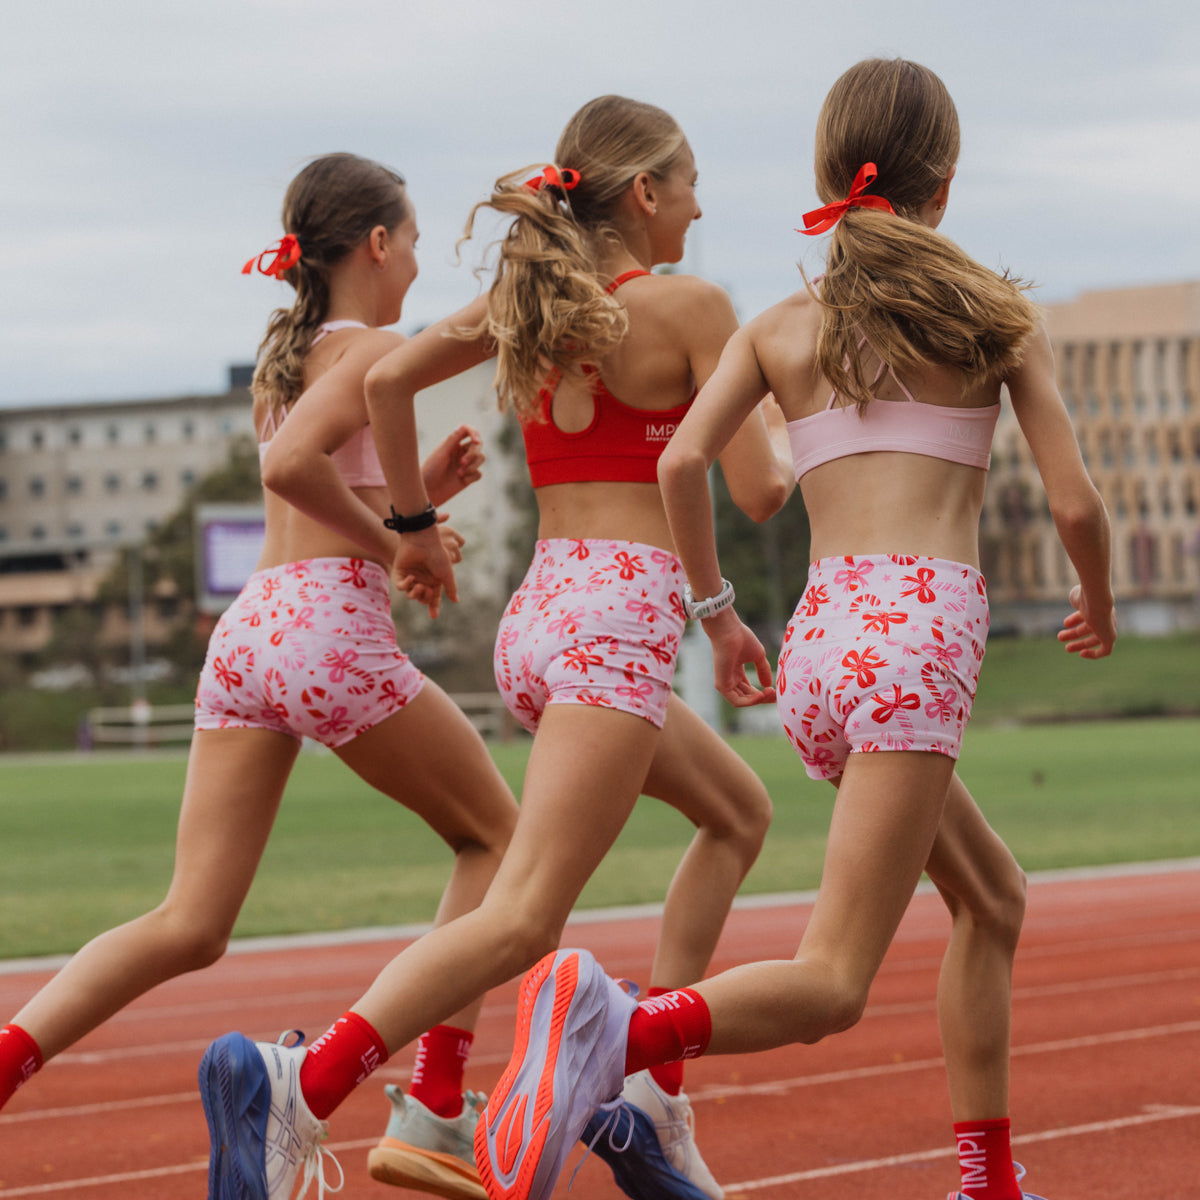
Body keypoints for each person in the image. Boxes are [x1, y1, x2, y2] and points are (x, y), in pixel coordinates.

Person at [477, 58, 1117, 1200]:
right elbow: (1075, 502)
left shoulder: (780, 326)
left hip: (822, 650)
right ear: (947, 182)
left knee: (993, 898)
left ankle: (988, 1178)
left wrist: (718, 614)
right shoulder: (994, 317)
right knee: (830, 982)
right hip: (917, 643)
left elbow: (681, 462)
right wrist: (1097, 597)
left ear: (831, 176)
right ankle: (615, 1035)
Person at [198, 95, 794, 1200]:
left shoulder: (524, 306)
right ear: (648, 194)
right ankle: (304, 1080)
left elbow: (383, 384)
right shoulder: (695, 306)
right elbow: (758, 488)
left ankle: (649, 1103)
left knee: (737, 813)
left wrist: (415, 530)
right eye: (693, 182)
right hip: (618, 623)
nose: (703, 204)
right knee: (523, 914)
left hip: (540, 622)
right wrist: (835, 423)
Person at [0, 152, 522, 1200]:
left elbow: (320, 489)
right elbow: (324, 496)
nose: (417, 261)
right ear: (377, 245)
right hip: (327, 629)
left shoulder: (278, 363)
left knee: (188, 921)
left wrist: (423, 499)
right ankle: (434, 1101)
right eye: (413, 240)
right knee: (497, 839)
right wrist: (402, 540)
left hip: (250, 633)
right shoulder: (380, 348)